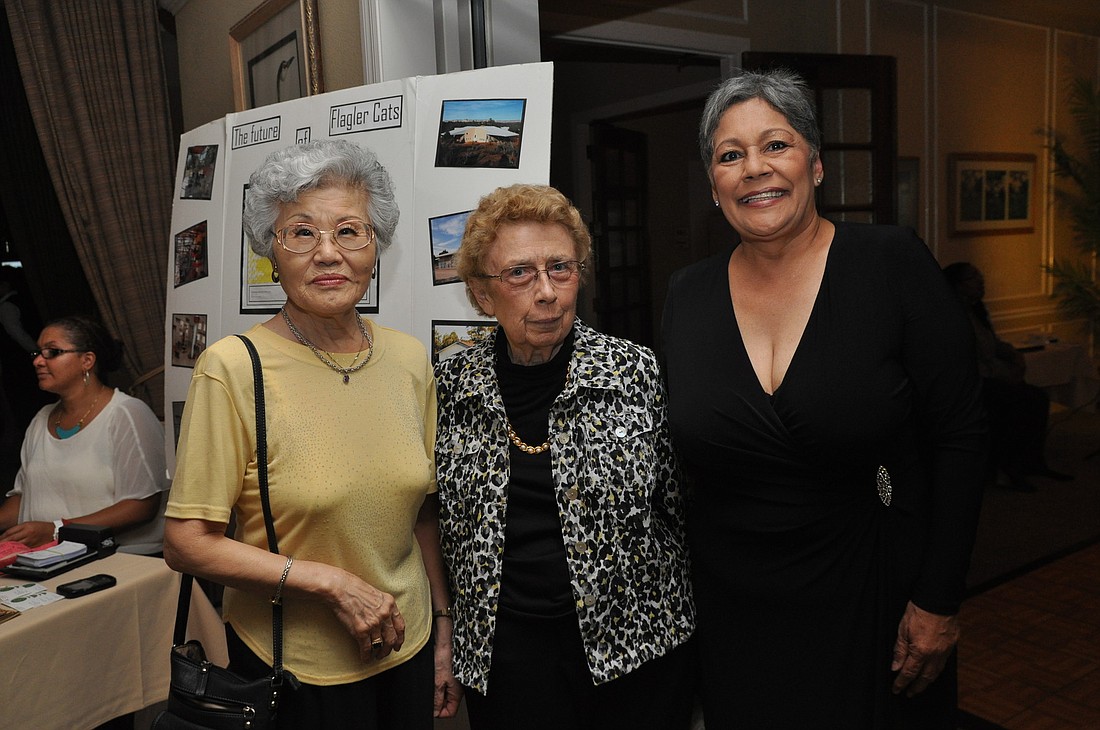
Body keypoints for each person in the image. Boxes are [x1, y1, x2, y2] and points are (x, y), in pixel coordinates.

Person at [661, 69, 988, 728]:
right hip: (733, 610)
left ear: (815, 165)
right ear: (713, 184)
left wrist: (939, 599)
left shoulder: (891, 264)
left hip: (874, 595)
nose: (754, 169)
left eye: (775, 145)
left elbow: (963, 436)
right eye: (730, 155)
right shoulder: (685, 296)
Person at [163, 139, 460, 729]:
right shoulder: (232, 367)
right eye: (301, 232)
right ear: (271, 251)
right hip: (297, 669)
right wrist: (332, 585)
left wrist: (443, 632)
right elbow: (186, 543)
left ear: (375, 248)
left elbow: (422, 513)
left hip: (410, 644)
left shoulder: (408, 360)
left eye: (350, 231)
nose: (329, 254)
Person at [435, 183, 695, 730]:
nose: (547, 292)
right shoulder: (452, 386)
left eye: (561, 267)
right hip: (507, 657)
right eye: (520, 273)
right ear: (482, 294)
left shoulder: (635, 374)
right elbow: (435, 519)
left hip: (634, 648)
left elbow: (678, 509)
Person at [0, 315, 168, 554]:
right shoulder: (41, 419)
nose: (38, 361)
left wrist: (57, 529)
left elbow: (141, 506)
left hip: (117, 559)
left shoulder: (126, 414)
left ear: (87, 360)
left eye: (52, 352)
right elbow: (25, 497)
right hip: (49, 558)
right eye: (38, 352)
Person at [943, 261, 1072, 491]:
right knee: (1011, 402)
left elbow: (991, 344)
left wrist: (1013, 354)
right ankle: (1006, 468)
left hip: (991, 376)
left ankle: (1032, 461)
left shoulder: (976, 310)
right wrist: (1004, 374)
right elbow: (971, 361)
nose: (980, 282)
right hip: (971, 384)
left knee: (1037, 398)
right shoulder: (950, 316)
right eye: (973, 278)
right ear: (957, 285)